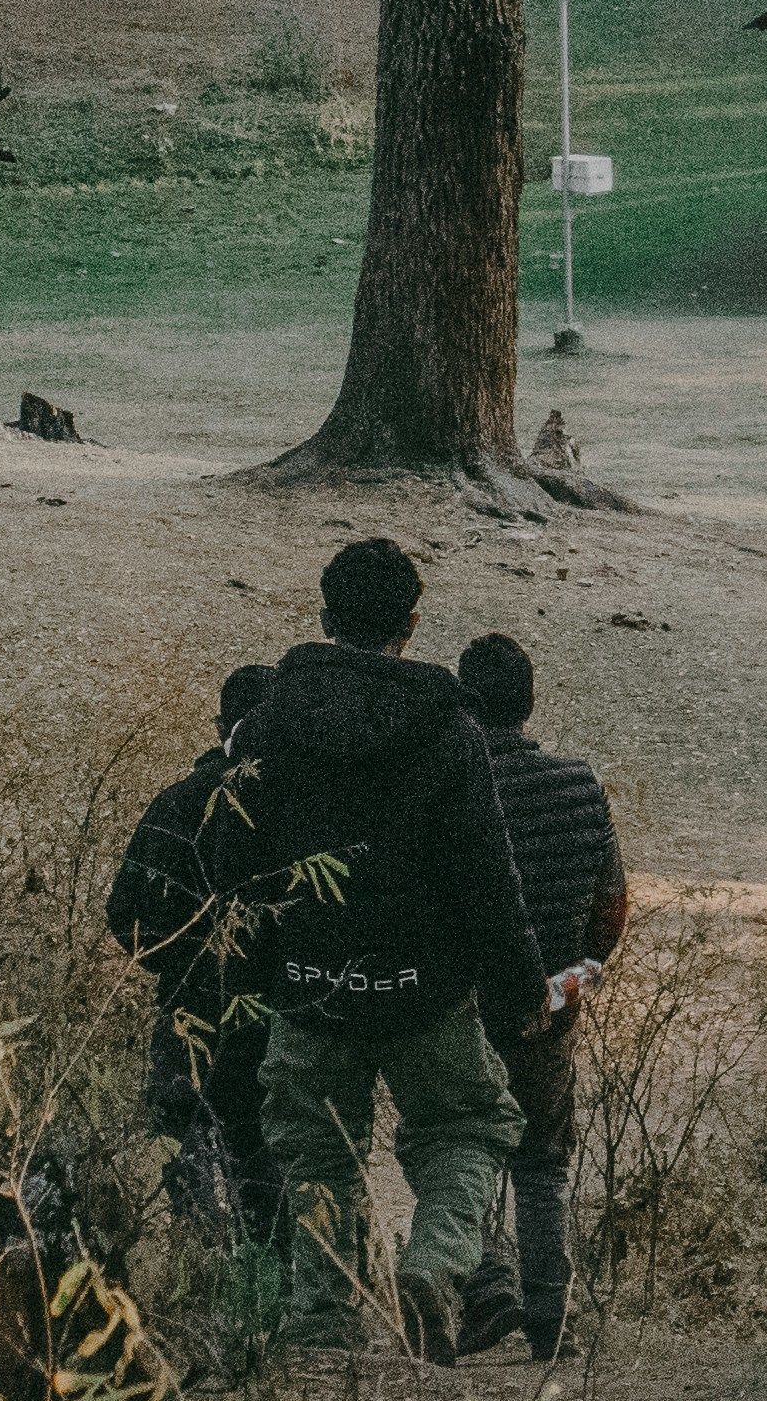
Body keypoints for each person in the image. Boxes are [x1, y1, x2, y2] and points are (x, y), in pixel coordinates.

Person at [200, 537, 549, 1351]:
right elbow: (485, 874)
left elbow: (232, 866)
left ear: (324, 618)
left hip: (306, 980)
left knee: (315, 1152)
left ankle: (321, 1322)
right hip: (427, 988)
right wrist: (520, 988)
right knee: (467, 1126)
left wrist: (249, 978)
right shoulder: (449, 729)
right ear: (412, 624)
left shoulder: (264, 725)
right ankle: (433, 1261)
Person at [454, 630, 629, 1361]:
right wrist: (576, 975)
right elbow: (612, 900)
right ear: (530, 704)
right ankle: (548, 1318)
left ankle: (485, 1283)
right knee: (542, 1163)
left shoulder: (453, 784)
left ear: (465, 703)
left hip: (460, 1003)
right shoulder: (577, 785)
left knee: (459, 1146)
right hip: (549, 1004)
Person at [105, 660, 281, 1238]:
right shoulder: (293, 805)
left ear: (218, 725)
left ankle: (199, 1274)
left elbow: (122, 912)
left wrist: (173, 960)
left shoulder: (178, 802)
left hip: (184, 1006)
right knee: (263, 1163)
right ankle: (270, 1288)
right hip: (270, 1013)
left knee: (182, 1143)